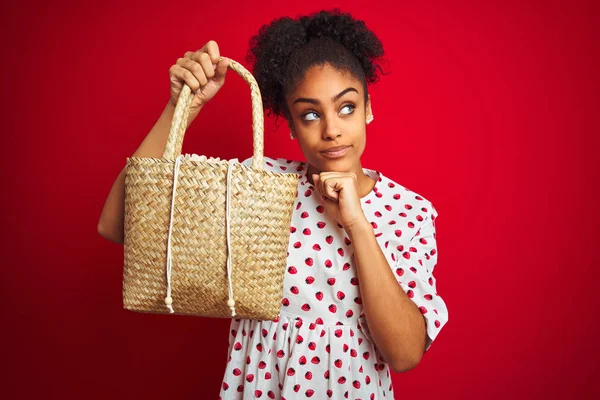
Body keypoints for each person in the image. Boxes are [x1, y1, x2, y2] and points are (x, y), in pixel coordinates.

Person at [98, 9, 449, 400]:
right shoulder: (262, 184)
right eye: (310, 114)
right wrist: (181, 107)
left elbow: (403, 354)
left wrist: (357, 224)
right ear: (292, 125)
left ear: (367, 108)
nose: (332, 129)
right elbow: (121, 225)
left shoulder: (408, 211)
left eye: (346, 107)